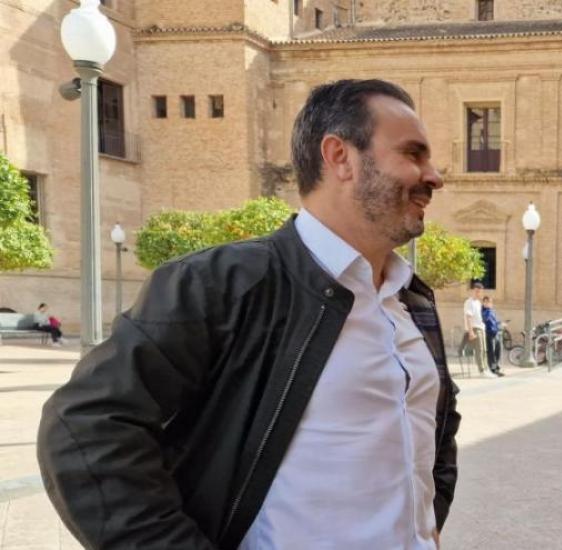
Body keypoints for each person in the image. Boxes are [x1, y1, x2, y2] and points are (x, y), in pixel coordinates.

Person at [37, 79, 460, 549]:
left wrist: (424, 522)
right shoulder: (222, 283)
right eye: (413, 154)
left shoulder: (411, 300)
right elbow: (86, 426)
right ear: (341, 157)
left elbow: (437, 430)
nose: (434, 175)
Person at [463, 282, 491, 377]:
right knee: (479, 350)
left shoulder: (478, 303)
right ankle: (481, 371)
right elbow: (468, 317)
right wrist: (470, 332)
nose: (478, 293)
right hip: (474, 328)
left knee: (484, 350)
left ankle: (486, 368)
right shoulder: (469, 302)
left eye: (479, 292)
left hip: (481, 327)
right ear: (473, 291)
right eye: (476, 291)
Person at [481, 296, 504, 377]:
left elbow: (494, 322)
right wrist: (487, 311)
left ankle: (496, 367)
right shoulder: (483, 311)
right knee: (491, 352)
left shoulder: (492, 311)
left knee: (498, 351)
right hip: (488, 333)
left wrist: (500, 324)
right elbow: (484, 320)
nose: (487, 303)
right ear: (483, 303)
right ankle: (493, 369)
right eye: (486, 302)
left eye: (489, 302)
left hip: (496, 332)